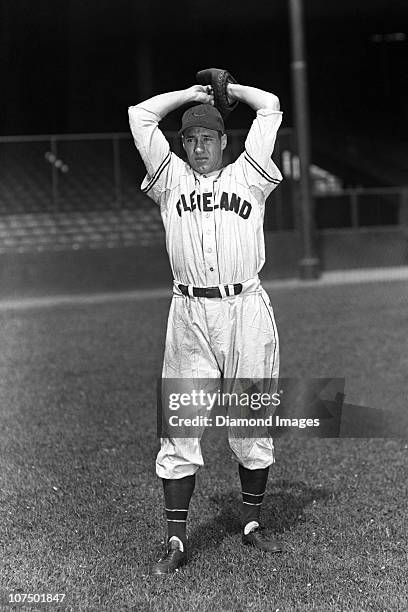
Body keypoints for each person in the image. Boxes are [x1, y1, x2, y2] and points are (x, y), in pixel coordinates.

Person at [128, 74, 284, 575]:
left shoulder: (249, 176)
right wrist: (193, 98)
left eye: (208, 139)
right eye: (191, 140)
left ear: (224, 142)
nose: (198, 148)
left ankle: (251, 525)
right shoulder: (170, 179)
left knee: (252, 418)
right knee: (180, 425)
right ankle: (175, 540)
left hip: (246, 310)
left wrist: (232, 93)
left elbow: (272, 106)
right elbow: (140, 115)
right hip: (189, 314)